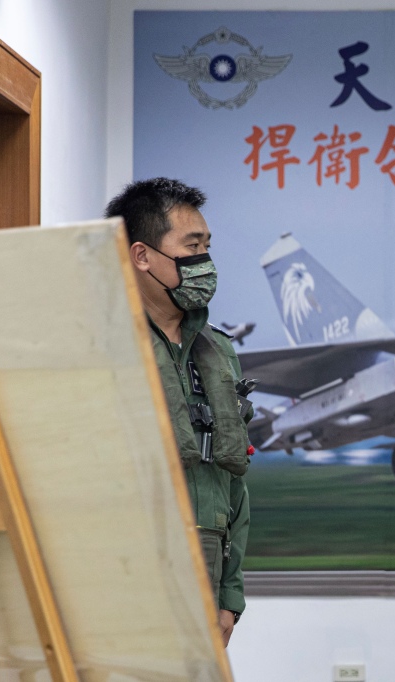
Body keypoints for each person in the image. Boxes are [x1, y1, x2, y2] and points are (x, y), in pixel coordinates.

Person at [105, 178, 252, 646]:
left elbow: (234, 482)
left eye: (207, 245)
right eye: (192, 246)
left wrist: (229, 595)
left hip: (204, 568)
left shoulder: (219, 353)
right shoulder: (103, 344)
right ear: (142, 256)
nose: (204, 261)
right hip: (124, 568)